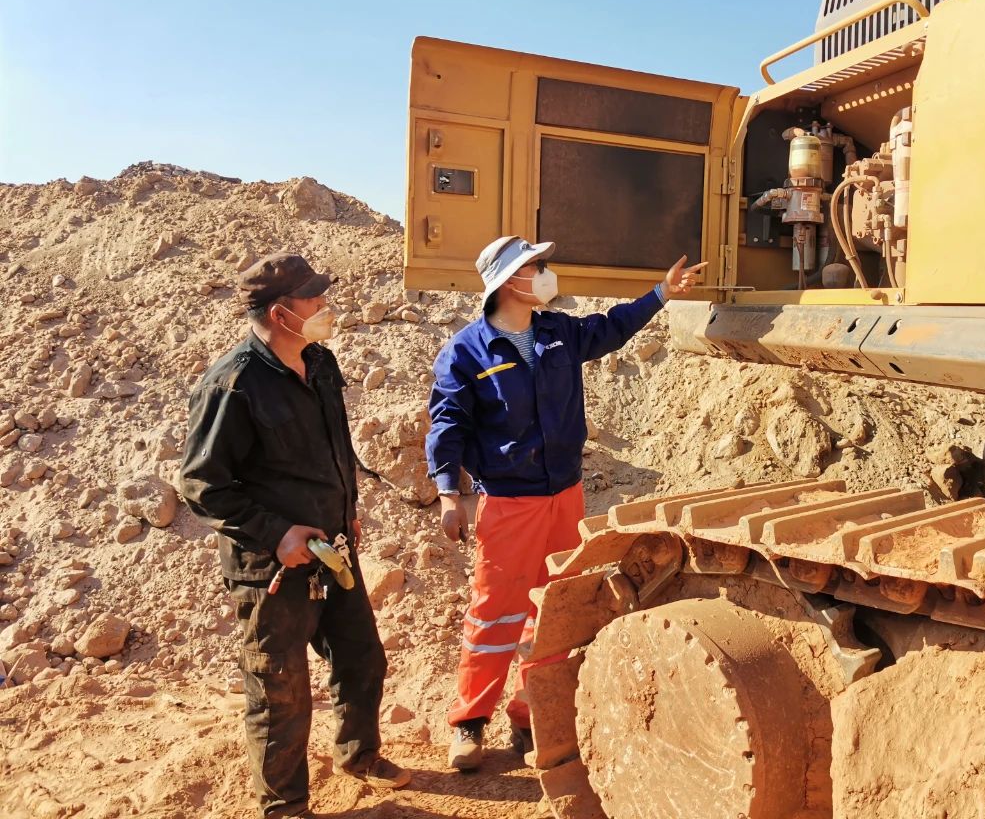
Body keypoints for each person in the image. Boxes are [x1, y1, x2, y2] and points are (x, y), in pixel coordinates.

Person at [427, 235, 706, 770]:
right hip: (508, 502)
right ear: (508, 281)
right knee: (495, 615)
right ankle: (468, 723)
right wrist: (447, 492)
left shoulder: (559, 332)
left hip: (564, 496)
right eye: (536, 267)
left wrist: (662, 293)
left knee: (553, 610)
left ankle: (531, 713)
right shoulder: (466, 352)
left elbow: (613, 327)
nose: (546, 274)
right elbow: (448, 424)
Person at [180, 252, 410, 819]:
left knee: (361, 658)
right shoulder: (232, 384)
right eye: (314, 298)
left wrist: (347, 510)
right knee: (279, 690)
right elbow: (202, 485)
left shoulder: (320, 362)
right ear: (281, 314)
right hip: (273, 567)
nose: (325, 306)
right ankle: (284, 806)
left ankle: (359, 755)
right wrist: (276, 534)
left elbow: (335, 445)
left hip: (333, 549)